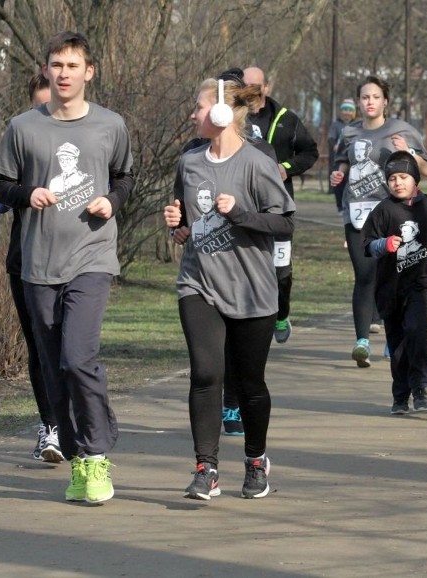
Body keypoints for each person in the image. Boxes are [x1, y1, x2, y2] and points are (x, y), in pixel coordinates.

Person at [0, 31, 134, 504]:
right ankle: (77, 458)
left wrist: (111, 202)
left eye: (73, 66)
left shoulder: (110, 125)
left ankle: (96, 454)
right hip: (37, 262)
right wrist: (24, 194)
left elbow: (124, 178)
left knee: (77, 356)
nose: (64, 73)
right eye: (57, 65)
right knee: (52, 368)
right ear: (47, 70)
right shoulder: (23, 127)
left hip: (92, 257)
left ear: (89, 72)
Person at [164, 75, 295, 501]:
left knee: (250, 382)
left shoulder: (258, 163)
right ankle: (206, 468)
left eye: (198, 107)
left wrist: (240, 213)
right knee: (206, 374)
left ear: (221, 113)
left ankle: (255, 461)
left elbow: (284, 223)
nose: (192, 115)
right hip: (199, 283)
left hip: (252, 290)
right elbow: (186, 217)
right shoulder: (189, 162)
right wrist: (177, 227)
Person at [0, 72, 62, 463]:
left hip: (76, 260)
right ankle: (50, 429)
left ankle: (75, 422)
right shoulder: (17, 140)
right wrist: (21, 195)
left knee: (72, 349)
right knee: (39, 346)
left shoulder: (82, 139)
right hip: (26, 258)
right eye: (39, 106)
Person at [330, 75, 427, 368]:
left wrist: (409, 151)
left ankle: (393, 336)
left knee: (392, 277)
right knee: (364, 276)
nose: (370, 102)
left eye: (375, 97)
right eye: (365, 97)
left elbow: (425, 169)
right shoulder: (349, 132)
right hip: (358, 214)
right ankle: (362, 341)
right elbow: (343, 162)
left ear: (385, 101)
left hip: (393, 213)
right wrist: (338, 174)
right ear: (359, 101)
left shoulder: (402, 130)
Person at [362, 151, 427, 414]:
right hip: (390, 287)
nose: (398, 183)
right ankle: (400, 397)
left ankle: (421, 385)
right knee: (398, 345)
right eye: (392, 178)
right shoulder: (383, 210)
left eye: (403, 177)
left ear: (415, 179)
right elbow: (367, 245)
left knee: (416, 327)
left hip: (421, 282)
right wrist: (384, 244)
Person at [244, 66, 319, 345]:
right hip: (245, 208)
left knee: (281, 271)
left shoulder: (286, 119)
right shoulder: (233, 119)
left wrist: (286, 168)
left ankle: (281, 314)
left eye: (255, 85)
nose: (250, 90)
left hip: (279, 208)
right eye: (245, 85)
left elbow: (310, 152)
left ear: (266, 88)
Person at [328, 98, 357, 210]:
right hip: (338, 159)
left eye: (349, 110)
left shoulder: (356, 125)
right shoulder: (336, 125)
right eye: (344, 110)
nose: (347, 112)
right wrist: (335, 145)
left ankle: (350, 205)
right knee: (338, 183)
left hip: (351, 159)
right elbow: (331, 138)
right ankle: (340, 205)